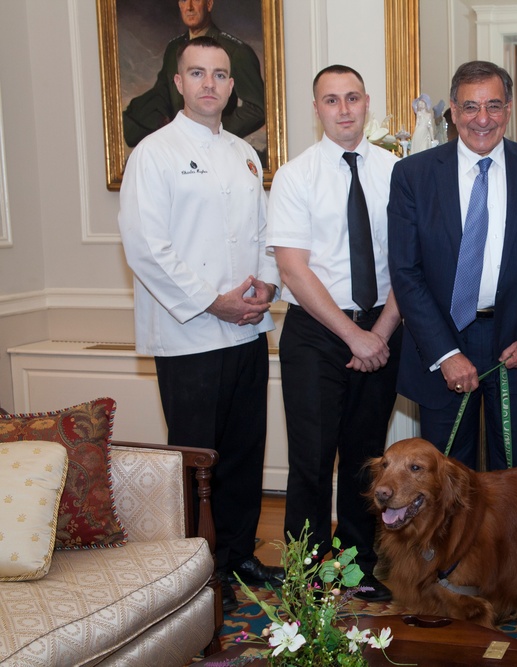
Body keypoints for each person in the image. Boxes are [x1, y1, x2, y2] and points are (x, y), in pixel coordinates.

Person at [388, 62, 517, 617]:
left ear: (507, 109)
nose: (482, 118)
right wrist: (445, 352)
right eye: (469, 106)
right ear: (452, 111)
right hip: (443, 347)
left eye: (493, 105)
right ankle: (445, 588)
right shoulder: (415, 175)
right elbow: (407, 273)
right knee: (441, 485)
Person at [118, 36, 283, 613]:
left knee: (243, 449)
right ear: (179, 83)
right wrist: (212, 302)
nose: (209, 83)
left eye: (220, 74)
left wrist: (266, 285)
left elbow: (264, 234)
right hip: (187, 333)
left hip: (246, 331)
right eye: (198, 73)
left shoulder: (245, 152)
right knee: (196, 458)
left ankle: (238, 554)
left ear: (233, 85)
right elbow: (146, 248)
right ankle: (190, 568)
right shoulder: (153, 153)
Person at [266, 65, 401, 602]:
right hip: (317, 332)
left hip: (384, 328)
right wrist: (354, 336)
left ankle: (359, 565)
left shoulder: (397, 172)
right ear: (316, 108)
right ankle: (306, 569)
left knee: (369, 459)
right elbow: (294, 270)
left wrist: (381, 331)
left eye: (352, 98)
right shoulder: (296, 176)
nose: (343, 109)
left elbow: (408, 264)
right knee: (313, 459)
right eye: (330, 100)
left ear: (367, 102)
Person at [123, 0, 265, 148]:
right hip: (178, 150)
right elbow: (162, 94)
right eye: (184, 0)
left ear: (209, 4)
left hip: (214, 150)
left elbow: (258, 109)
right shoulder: (174, 49)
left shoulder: (235, 51)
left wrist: (214, 133)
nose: (189, 7)